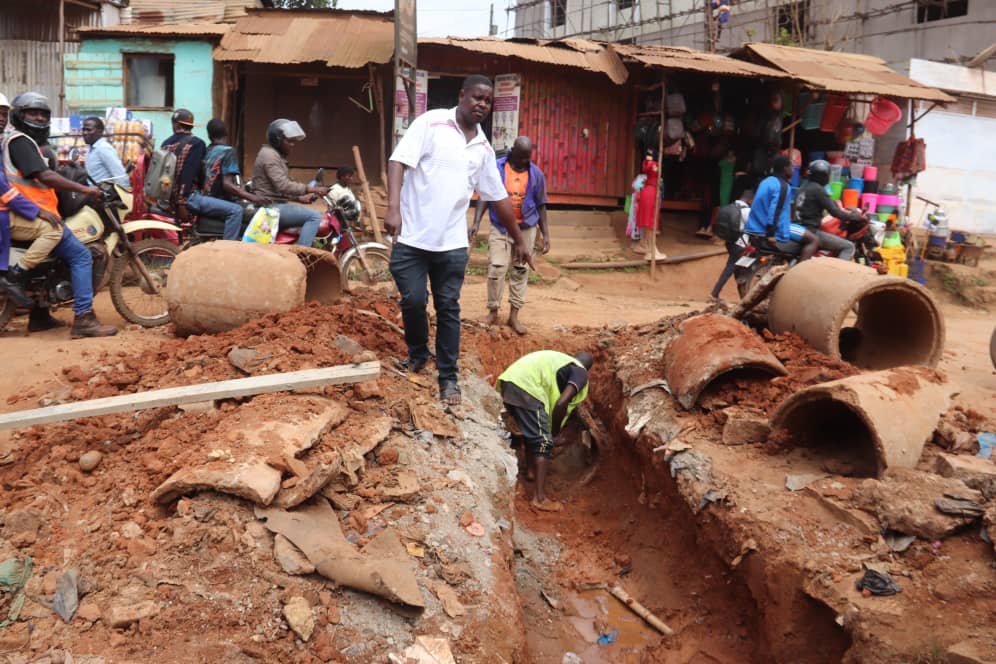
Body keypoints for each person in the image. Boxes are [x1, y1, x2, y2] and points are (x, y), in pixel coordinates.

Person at [386, 74, 531, 406]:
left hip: (451, 244)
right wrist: (393, 208)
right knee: (413, 300)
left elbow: (498, 197)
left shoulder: (483, 148)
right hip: (411, 237)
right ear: (462, 95)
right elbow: (398, 161)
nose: (482, 104)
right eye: (477, 97)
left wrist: (518, 239)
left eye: (488, 101)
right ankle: (418, 353)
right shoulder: (431, 123)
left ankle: (448, 378)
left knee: (448, 308)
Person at [2, 92, 116, 337]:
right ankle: (84, 318)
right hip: (30, 214)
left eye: (43, 114)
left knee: (54, 259)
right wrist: (85, 189)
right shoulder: (20, 141)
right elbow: (44, 175)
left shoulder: (22, 141)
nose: (39, 118)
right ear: (19, 115)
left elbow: (40, 172)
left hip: (29, 212)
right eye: (33, 113)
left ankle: (40, 316)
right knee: (81, 256)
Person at [469, 136, 549, 335]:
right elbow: (485, 196)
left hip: (526, 228)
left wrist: (546, 234)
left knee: (520, 270)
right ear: (512, 151)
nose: (525, 161)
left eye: (528, 157)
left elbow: (541, 206)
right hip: (500, 226)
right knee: (496, 268)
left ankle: (514, 315)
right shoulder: (496, 168)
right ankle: (493, 311)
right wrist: (476, 222)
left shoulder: (536, 174)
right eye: (521, 157)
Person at [497, 350, 594, 512]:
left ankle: (531, 472)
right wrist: (554, 431)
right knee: (543, 441)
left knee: (532, 432)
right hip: (527, 388)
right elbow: (562, 403)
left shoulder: (559, 362)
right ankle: (540, 499)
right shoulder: (580, 373)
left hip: (509, 383)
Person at [251, 119, 327, 247]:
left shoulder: (274, 155)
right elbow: (283, 185)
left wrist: (299, 198)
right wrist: (312, 189)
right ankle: (301, 254)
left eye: (293, 141)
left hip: (275, 203)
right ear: (277, 140)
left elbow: (278, 188)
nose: (292, 145)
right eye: (289, 141)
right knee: (314, 217)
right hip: (270, 206)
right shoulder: (270, 156)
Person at [199, 118, 269, 241]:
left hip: (206, 201)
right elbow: (227, 184)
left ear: (209, 135)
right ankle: (233, 246)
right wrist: (253, 197)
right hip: (221, 202)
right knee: (262, 214)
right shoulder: (228, 151)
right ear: (226, 133)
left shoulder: (206, 150)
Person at [744, 154, 817, 260]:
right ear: (785, 169)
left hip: (754, 227)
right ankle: (800, 268)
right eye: (792, 167)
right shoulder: (783, 186)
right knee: (814, 239)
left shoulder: (766, 181)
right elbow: (775, 212)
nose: (793, 170)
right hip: (771, 230)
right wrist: (771, 234)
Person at [795, 159, 865, 261]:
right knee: (848, 247)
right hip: (811, 230)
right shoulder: (818, 190)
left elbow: (828, 204)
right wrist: (856, 217)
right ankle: (835, 270)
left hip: (799, 228)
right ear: (824, 176)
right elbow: (836, 212)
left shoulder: (803, 187)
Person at [709, 187, 754, 301]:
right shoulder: (747, 211)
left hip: (730, 242)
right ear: (750, 200)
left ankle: (743, 296)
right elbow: (753, 227)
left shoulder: (730, 207)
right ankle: (714, 294)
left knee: (737, 269)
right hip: (740, 244)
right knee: (731, 269)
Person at [634, 152, 667, 260]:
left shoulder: (647, 162)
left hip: (647, 191)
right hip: (651, 192)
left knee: (647, 220)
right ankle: (652, 250)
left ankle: (644, 244)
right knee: (650, 221)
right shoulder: (654, 164)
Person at [81, 116, 127, 185]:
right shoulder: (91, 148)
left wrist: (122, 191)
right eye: (83, 130)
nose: (84, 133)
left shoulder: (104, 148)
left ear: (100, 132)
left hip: (102, 191)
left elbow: (120, 176)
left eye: (89, 130)